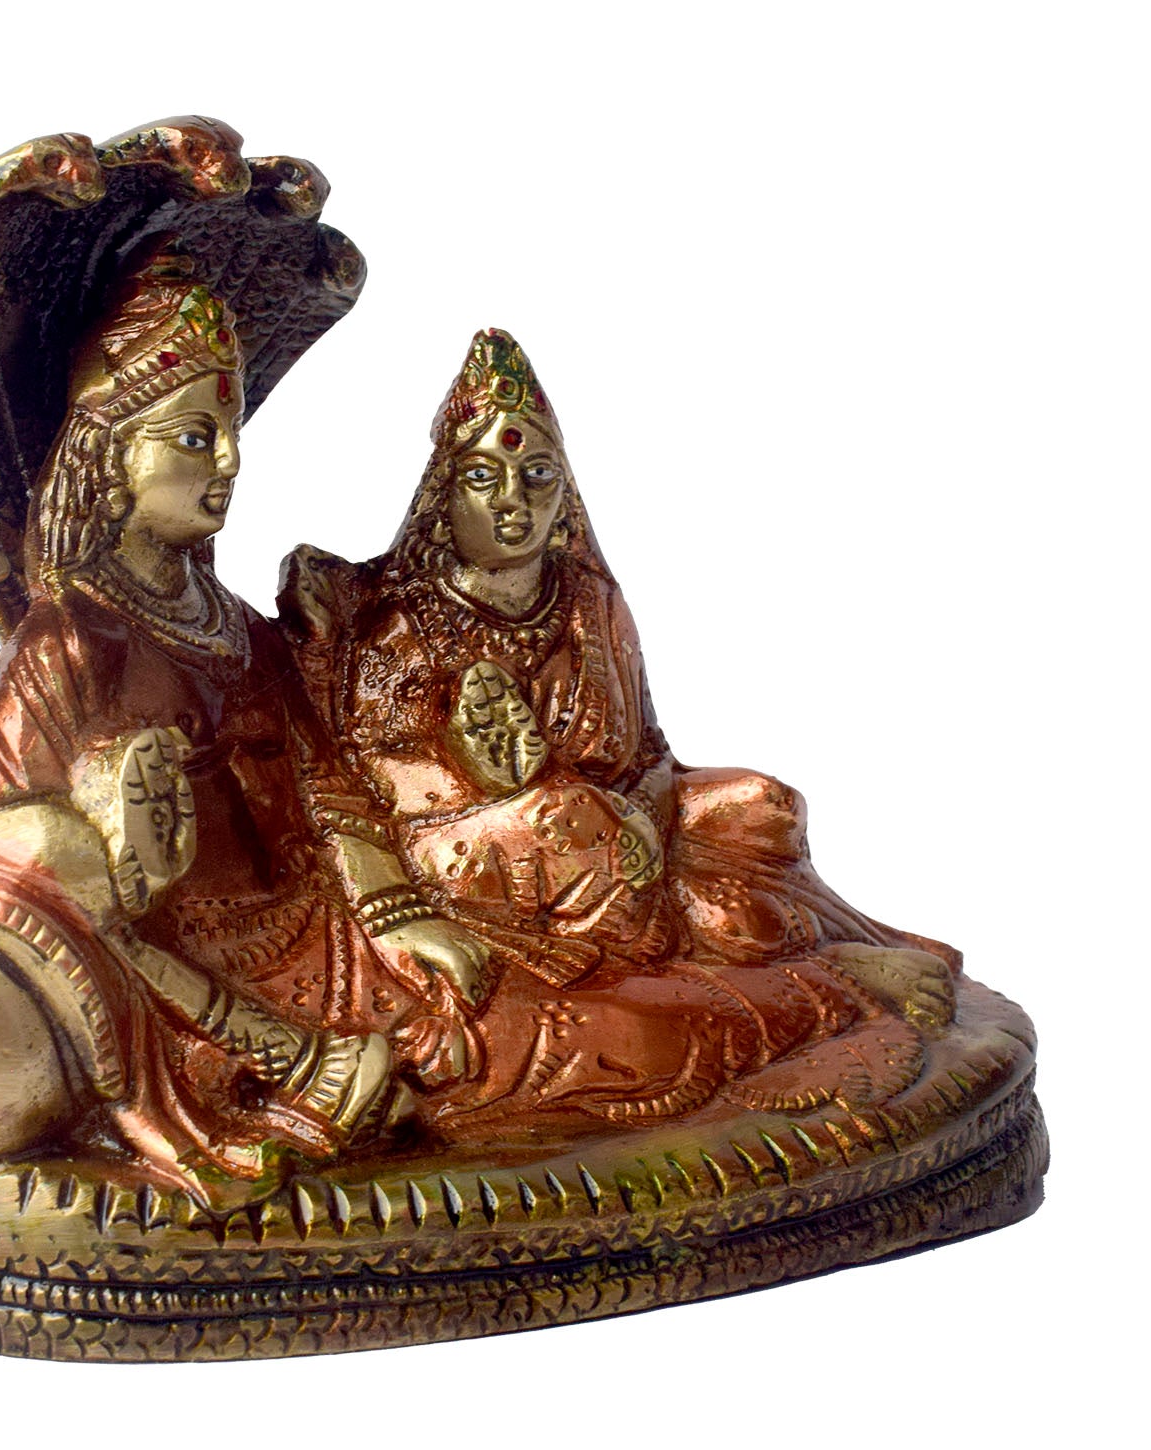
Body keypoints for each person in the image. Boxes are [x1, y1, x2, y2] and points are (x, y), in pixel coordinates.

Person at [0, 268, 488, 1196]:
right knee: (469, 1051)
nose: (227, 461)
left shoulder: (234, 624)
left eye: (230, 435)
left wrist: (398, 913)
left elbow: (329, 786)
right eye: (194, 437)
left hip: (317, 915)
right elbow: (6, 843)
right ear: (110, 457)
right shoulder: (68, 645)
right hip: (189, 954)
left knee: (500, 968)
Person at [276, 329, 958, 1135]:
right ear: (444, 495)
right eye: (483, 478)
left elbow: (650, 752)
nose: (512, 501)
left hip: (619, 825)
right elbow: (377, 786)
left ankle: (778, 944)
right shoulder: (404, 624)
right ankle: (790, 973)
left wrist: (643, 808)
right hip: (475, 850)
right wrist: (507, 790)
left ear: (564, 493)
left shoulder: (591, 603)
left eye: (536, 476)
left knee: (760, 806)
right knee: (575, 823)